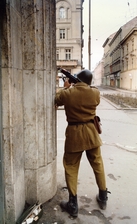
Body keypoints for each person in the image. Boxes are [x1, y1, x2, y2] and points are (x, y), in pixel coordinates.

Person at [55, 69, 110, 218]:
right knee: (97, 163)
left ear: (76, 80)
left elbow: (57, 100)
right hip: (91, 132)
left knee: (71, 167)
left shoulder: (67, 93)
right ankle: (103, 196)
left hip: (74, 134)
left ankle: (73, 204)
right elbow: (92, 97)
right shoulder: (95, 93)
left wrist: (66, 87)